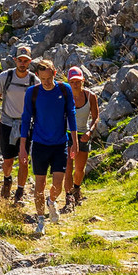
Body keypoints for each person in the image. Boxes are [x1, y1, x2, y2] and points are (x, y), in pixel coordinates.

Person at [17, 56, 77, 227]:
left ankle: (51, 201)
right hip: (39, 144)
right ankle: (40, 220)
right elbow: (26, 119)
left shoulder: (64, 89)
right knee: (39, 184)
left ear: (54, 73)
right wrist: (23, 147)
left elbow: (71, 114)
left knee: (58, 184)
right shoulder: (33, 92)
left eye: (49, 78)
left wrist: (75, 142)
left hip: (60, 144)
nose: (46, 82)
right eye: (43, 79)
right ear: (37, 76)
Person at [0, 44, 36, 203]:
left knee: (24, 160)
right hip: (7, 123)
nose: (22, 63)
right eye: (20, 60)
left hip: (25, 125)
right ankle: (7, 179)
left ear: (30, 62)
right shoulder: (5, 76)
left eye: (25, 61)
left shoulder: (34, 80)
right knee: (8, 160)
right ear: (15, 60)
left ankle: (20, 192)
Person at [65, 63, 101, 208]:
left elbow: (96, 117)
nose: (75, 84)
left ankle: (76, 189)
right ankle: (68, 198)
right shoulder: (64, 96)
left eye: (78, 81)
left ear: (83, 81)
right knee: (68, 167)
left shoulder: (90, 96)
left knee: (79, 169)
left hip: (83, 134)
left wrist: (90, 132)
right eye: (72, 82)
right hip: (67, 134)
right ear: (68, 82)